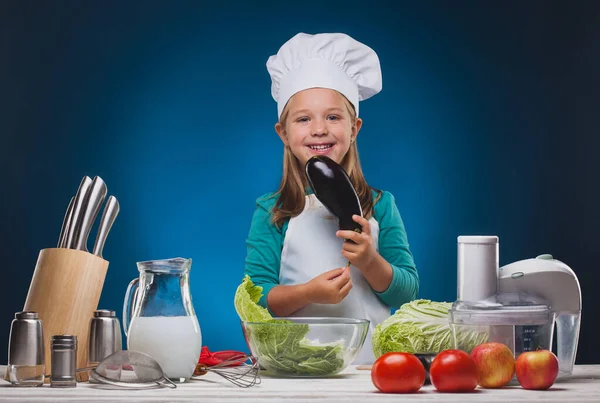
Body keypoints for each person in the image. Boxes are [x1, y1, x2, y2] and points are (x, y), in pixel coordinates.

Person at [243, 32, 419, 364]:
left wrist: (369, 262)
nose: (319, 129)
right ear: (284, 133)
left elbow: (406, 291)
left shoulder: (380, 205)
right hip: (296, 368)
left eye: (333, 117)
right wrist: (309, 294)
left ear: (355, 128)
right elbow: (258, 298)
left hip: (369, 372)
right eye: (304, 118)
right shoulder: (273, 211)